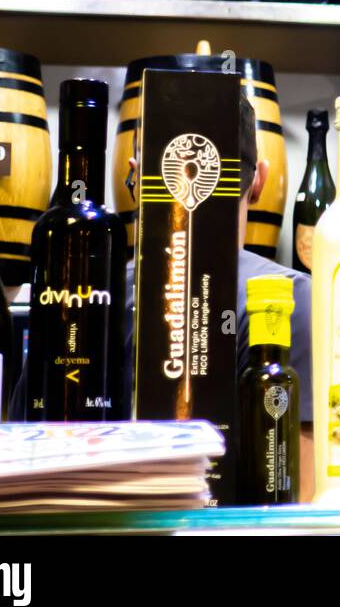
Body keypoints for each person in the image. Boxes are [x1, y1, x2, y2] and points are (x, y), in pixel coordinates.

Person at [125, 90, 315, 501]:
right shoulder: (292, 300)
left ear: (138, 178)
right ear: (260, 180)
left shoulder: (81, 293)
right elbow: (301, 500)